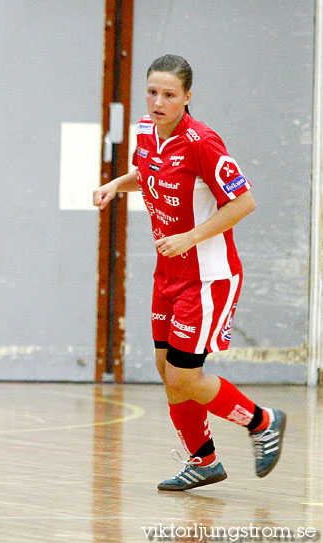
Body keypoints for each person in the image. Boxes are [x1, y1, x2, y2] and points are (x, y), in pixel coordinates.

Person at [93, 54, 285, 491]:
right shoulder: (145, 130)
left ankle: (262, 422)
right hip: (169, 274)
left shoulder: (202, 141)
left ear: (187, 97)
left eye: (169, 95)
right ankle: (204, 460)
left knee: (184, 375)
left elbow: (244, 202)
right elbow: (147, 172)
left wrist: (191, 237)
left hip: (208, 277)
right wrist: (114, 185)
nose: (158, 102)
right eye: (152, 92)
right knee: (167, 368)